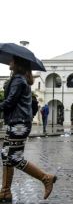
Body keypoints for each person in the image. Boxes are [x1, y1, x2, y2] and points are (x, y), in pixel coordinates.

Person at [0, 56, 57, 202]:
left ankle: (45, 178)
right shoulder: (18, 79)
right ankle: (5, 192)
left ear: (18, 64)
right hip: (16, 122)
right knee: (6, 154)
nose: (9, 62)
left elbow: (10, 101)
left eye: (12, 60)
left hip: (19, 123)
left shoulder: (18, 80)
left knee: (13, 157)